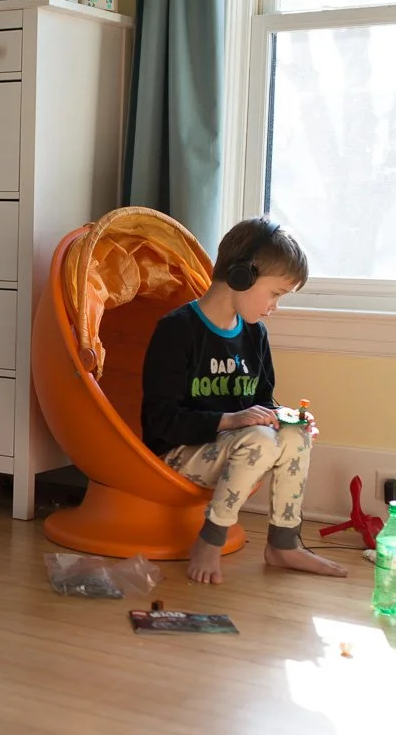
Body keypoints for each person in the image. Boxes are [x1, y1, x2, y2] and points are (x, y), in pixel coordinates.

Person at [140, 217, 347, 584]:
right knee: (261, 438)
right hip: (178, 452)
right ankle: (211, 538)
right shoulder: (177, 330)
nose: (275, 306)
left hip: (239, 445)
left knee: (294, 434)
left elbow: (262, 404)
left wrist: (287, 418)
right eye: (275, 293)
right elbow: (159, 420)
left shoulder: (255, 334)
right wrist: (230, 420)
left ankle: (283, 544)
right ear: (241, 277)